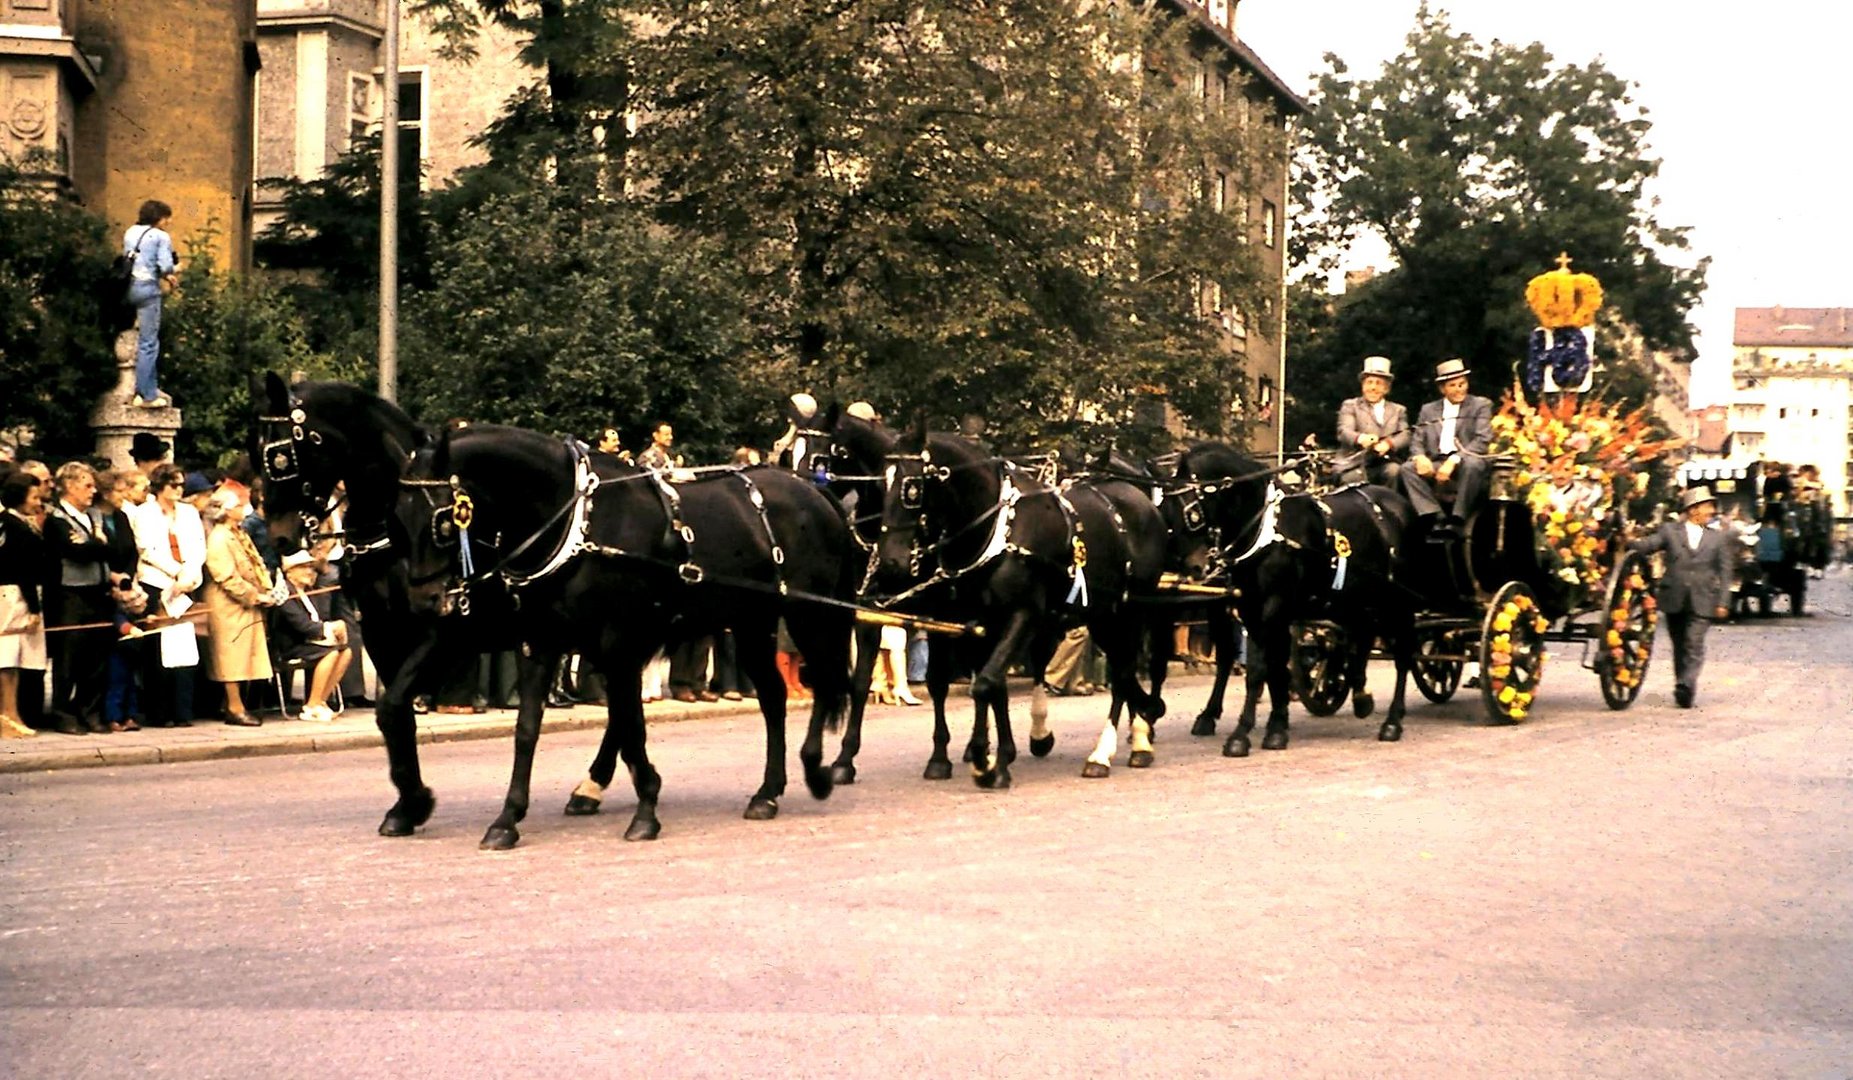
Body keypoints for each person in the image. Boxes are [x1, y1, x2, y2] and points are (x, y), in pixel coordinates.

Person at [1631, 486, 1733, 708]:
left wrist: (1723, 602)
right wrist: (1627, 541)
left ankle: (1687, 683)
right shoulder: (1670, 531)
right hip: (1674, 597)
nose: (1712, 511)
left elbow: (1726, 573)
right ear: (1693, 509)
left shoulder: (1717, 538)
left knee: (1693, 642)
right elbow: (1648, 545)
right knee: (1679, 644)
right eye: (1708, 506)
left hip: (1704, 599)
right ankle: (1682, 685)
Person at [131, 463, 206, 727]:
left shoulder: (189, 513)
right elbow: (147, 548)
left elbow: (198, 547)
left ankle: (183, 712)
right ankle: (159, 713)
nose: (178, 490)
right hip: (157, 582)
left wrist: (188, 577)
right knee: (158, 651)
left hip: (186, 585)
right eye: (173, 484)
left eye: (181, 485)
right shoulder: (144, 513)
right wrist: (176, 573)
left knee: (184, 649)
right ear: (160, 485)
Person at [43, 462, 116, 734]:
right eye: (87, 485)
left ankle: (90, 710)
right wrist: (98, 546)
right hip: (70, 594)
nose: (92, 490)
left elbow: (112, 549)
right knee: (68, 658)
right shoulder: (57, 519)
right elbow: (76, 552)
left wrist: (95, 546)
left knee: (96, 658)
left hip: (98, 591)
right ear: (70, 486)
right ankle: (63, 713)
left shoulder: (95, 516)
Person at [202, 500, 277, 726]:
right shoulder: (219, 538)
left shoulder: (237, 533)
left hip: (244, 604)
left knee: (243, 656)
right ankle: (235, 708)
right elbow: (225, 575)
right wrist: (253, 595)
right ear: (226, 510)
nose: (243, 509)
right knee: (230, 658)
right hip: (228, 605)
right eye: (238, 505)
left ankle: (231, 704)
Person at [1400, 358, 1493, 535]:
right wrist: (1420, 458)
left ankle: (1458, 518)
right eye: (1453, 385)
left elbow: (1482, 439)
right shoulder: (1429, 410)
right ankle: (1434, 515)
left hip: (1466, 460)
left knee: (1474, 465)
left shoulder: (1481, 405)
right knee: (1407, 469)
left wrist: (1454, 460)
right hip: (1437, 461)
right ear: (1442, 389)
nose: (1459, 389)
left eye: (1462, 384)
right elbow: (1417, 440)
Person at [94, 470, 147, 732]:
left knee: (129, 658)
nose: (124, 497)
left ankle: (130, 712)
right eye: (119, 492)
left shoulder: (122, 516)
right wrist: (112, 578)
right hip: (103, 589)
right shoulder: (95, 517)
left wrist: (127, 577)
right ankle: (112, 713)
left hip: (126, 586)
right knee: (113, 663)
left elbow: (131, 550)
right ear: (105, 493)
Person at [272, 550, 351, 722]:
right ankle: (311, 705)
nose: (310, 572)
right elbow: (301, 625)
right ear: (290, 571)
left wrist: (335, 628)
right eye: (304, 568)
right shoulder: (284, 592)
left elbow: (320, 617)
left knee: (346, 652)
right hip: (292, 645)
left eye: (311, 568)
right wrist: (330, 628)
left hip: (311, 641)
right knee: (330, 653)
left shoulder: (310, 591)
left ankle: (321, 700)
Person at [0, 468, 49, 739]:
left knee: (15, 658)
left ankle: (12, 712)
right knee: (8, 656)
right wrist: (34, 608)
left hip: (13, 592)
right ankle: (7, 713)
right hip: (15, 594)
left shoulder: (9, 522)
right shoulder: (15, 526)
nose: (37, 500)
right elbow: (23, 570)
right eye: (33, 496)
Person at [123, 199, 180, 409]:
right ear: (159, 218)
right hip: (148, 290)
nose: (168, 222)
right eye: (166, 218)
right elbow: (165, 265)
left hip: (130, 288)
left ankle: (146, 388)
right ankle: (146, 394)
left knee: (140, 339)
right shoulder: (160, 236)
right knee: (149, 343)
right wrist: (172, 273)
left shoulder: (130, 232)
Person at [1334, 355, 1409, 487]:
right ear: (1363, 385)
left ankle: (1388, 507)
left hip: (1385, 462)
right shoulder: (1351, 405)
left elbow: (1405, 434)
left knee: (1394, 471)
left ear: (1387, 388)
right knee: (1352, 479)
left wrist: (1389, 443)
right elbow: (1344, 431)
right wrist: (1361, 438)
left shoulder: (1398, 410)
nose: (1373, 387)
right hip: (1354, 462)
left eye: (1378, 383)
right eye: (1369, 382)